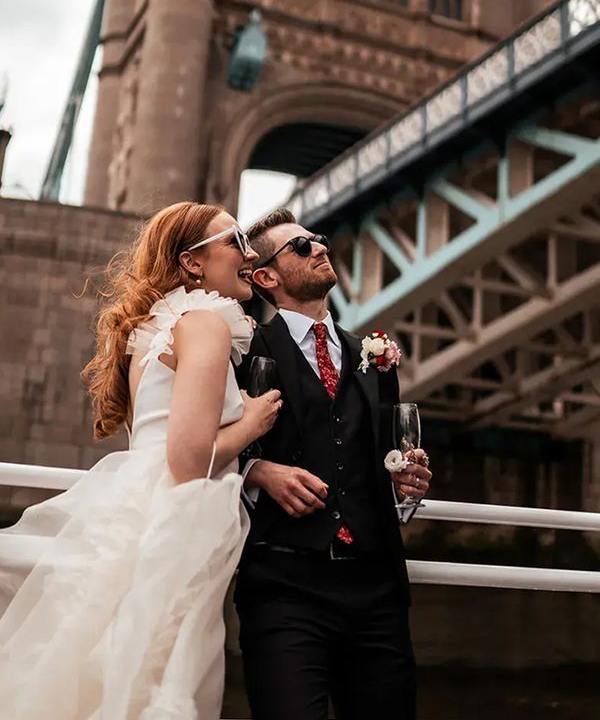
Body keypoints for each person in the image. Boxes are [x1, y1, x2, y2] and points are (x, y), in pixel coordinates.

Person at [0, 201, 282, 720]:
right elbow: (187, 459)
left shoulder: (156, 327)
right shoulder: (205, 324)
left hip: (135, 510)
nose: (250, 254)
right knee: (156, 677)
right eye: (235, 241)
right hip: (176, 522)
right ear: (192, 263)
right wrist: (253, 421)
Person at [235, 208, 432, 720]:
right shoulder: (246, 350)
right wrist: (257, 471)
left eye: (319, 238)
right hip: (284, 588)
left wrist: (404, 482)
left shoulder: (374, 357)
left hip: (377, 589)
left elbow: (383, 459)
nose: (320, 247)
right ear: (266, 277)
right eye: (301, 246)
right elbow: (205, 447)